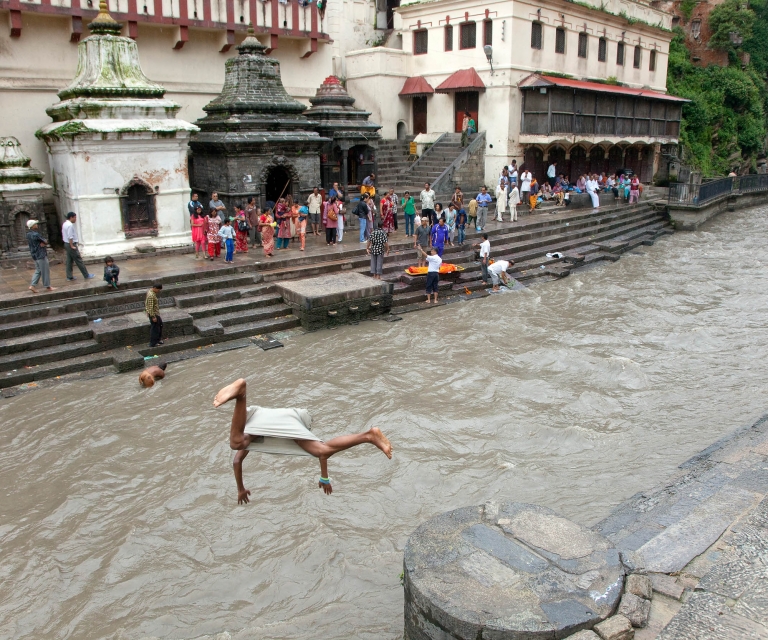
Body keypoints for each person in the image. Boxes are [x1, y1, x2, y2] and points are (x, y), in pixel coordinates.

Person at [213, 378, 393, 504]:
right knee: (321, 449)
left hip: (270, 418)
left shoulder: (255, 433)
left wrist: (240, 489)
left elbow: (237, 460)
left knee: (237, 443)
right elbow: (322, 454)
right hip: (278, 417)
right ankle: (369, 435)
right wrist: (324, 477)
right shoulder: (258, 432)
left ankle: (241, 394)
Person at [61, 212, 94, 281]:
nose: (75, 219)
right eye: (75, 217)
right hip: (70, 244)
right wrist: (72, 245)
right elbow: (70, 236)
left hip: (66, 243)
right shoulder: (70, 225)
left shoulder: (65, 224)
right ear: (71, 217)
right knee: (78, 259)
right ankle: (86, 275)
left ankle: (69, 276)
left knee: (69, 260)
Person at [145, 283, 164, 347]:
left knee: (160, 325)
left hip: (156, 313)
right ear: (155, 288)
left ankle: (158, 339)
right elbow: (150, 307)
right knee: (155, 328)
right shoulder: (151, 295)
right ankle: (153, 343)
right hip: (154, 314)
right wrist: (153, 316)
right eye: (158, 290)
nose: (159, 291)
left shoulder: (152, 292)